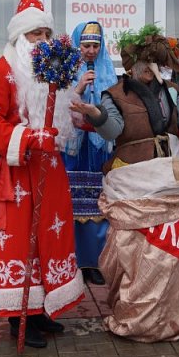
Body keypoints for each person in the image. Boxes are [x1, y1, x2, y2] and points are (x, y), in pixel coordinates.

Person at [69, 25, 179, 341]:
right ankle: (138, 311)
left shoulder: (172, 90)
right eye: (142, 65)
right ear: (130, 66)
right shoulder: (114, 94)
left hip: (172, 167)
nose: (147, 71)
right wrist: (96, 115)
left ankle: (176, 308)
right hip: (134, 174)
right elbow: (113, 131)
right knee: (136, 247)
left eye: (153, 64)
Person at [0, 0, 85, 348]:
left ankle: (42, 309)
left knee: (48, 241)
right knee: (19, 245)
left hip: (49, 174)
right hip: (16, 174)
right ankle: (19, 318)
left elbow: (61, 123)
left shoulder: (50, 75)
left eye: (46, 34)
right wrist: (31, 136)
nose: (42, 41)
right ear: (20, 37)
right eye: (35, 34)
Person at [62, 21, 117, 286]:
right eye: (86, 46)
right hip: (74, 148)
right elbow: (60, 106)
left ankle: (94, 262)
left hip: (98, 148)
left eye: (96, 45)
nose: (91, 51)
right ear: (77, 45)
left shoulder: (108, 70)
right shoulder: (67, 70)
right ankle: (72, 261)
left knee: (98, 204)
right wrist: (80, 85)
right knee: (73, 204)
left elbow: (114, 107)